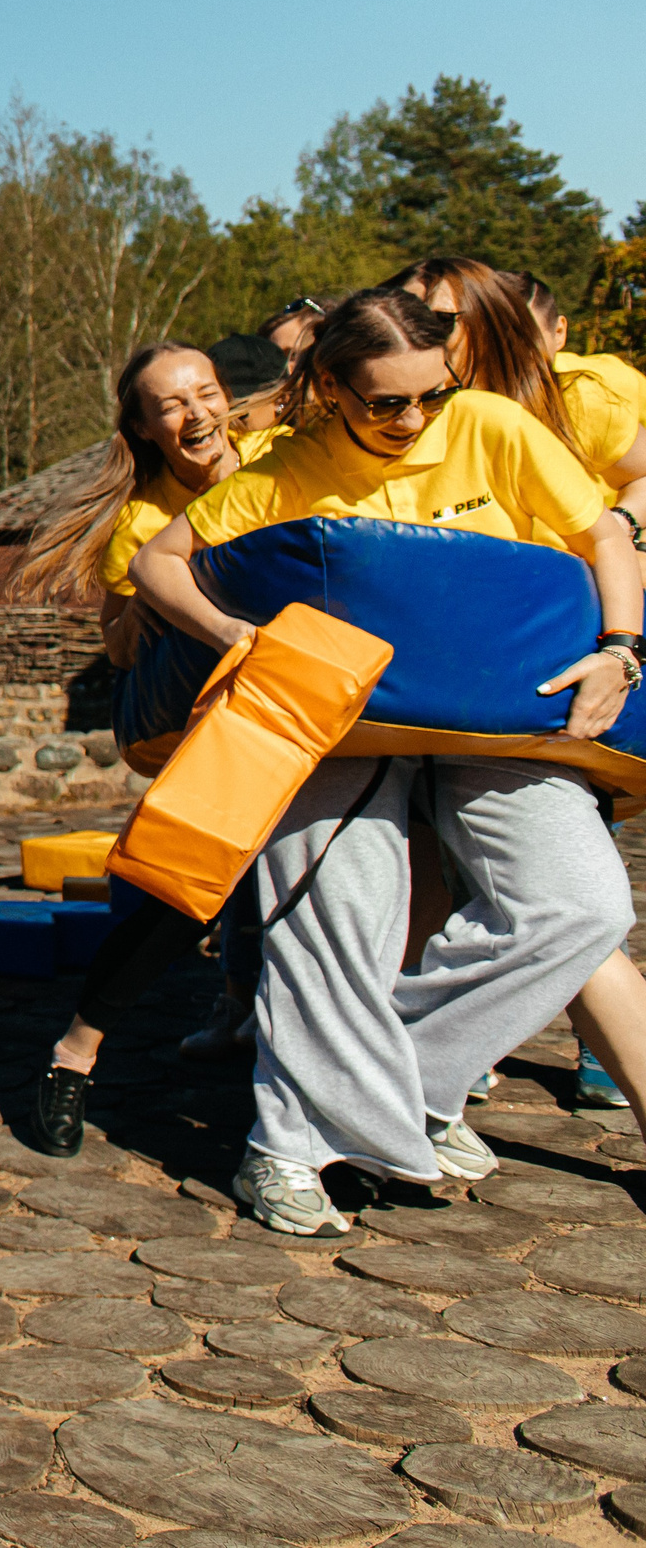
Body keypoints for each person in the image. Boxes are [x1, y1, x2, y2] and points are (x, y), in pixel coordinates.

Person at [133, 287, 641, 1234]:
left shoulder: (493, 425)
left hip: (497, 713)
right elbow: (157, 562)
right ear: (329, 387)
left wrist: (621, 648)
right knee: (336, 907)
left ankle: (393, 1084)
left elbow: (602, 531)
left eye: (433, 397)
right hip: (339, 716)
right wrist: (232, 634)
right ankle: (283, 1147)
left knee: (583, 905)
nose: (414, 420)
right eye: (386, 403)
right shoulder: (288, 466)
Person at [8, 341, 282, 1154]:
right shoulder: (141, 519)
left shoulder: (282, 455)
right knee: (175, 890)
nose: (195, 412)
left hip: (330, 703)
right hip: (224, 725)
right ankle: (74, 1054)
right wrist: (135, 617)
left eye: (206, 393)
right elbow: (125, 649)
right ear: (142, 424)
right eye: (171, 403)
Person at [393, 259, 646, 1116]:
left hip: (541, 698)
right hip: (410, 708)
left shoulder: (574, 403)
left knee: (569, 909)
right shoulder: (397, 416)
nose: (422, 332)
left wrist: (622, 560)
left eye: (442, 320)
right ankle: (405, 1079)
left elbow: (636, 488)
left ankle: (380, 1072)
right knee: (429, 896)